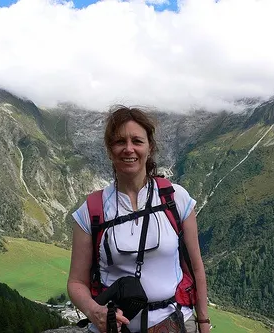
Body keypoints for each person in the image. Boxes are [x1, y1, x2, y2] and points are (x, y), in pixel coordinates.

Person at [67, 105, 210, 333]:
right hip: (115, 328)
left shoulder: (176, 198)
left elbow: (195, 268)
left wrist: (203, 322)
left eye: (137, 141)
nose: (128, 149)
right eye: (119, 142)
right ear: (109, 150)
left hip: (175, 322)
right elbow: (76, 283)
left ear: (150, 148)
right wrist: (96, 313)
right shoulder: (91, 210)